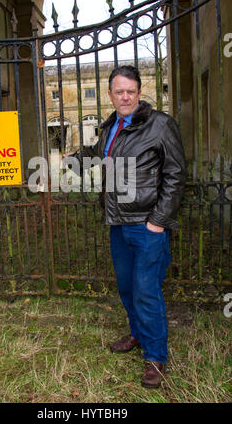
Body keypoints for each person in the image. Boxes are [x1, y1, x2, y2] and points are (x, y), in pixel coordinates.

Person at [68, 65, 186, 389]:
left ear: (138, 92)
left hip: (147, 226)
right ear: (110, 94)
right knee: (128, 287)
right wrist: (70, 160)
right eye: (119, 91)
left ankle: (155, 356)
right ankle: (137, 334)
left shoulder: (160, 125)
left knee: (147, 290)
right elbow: (97, 156)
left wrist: (157, 222)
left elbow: (176, 176)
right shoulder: (110, 128)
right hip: (117, 224)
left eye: (130, 91)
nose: (125, 96)